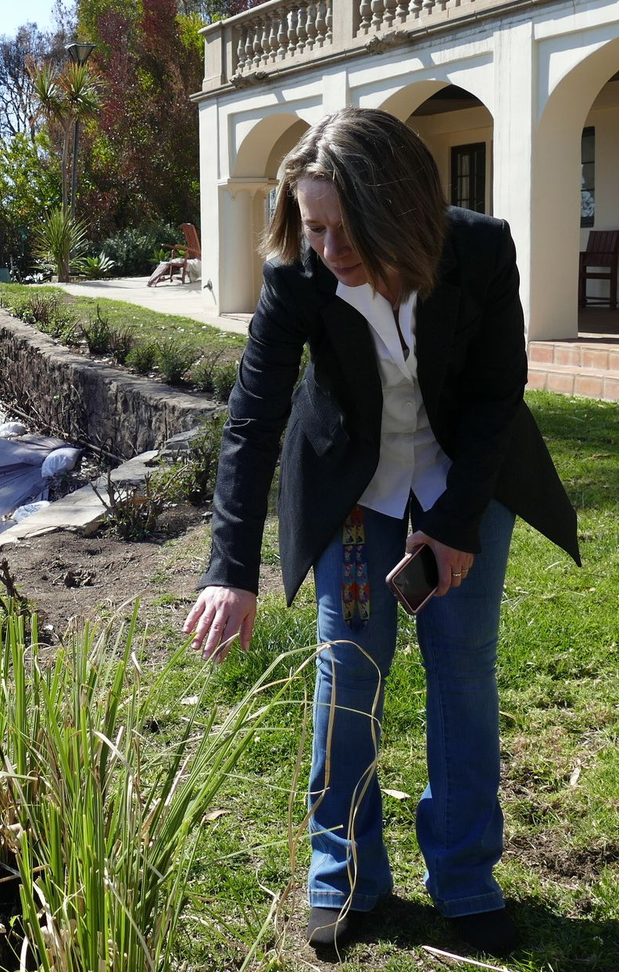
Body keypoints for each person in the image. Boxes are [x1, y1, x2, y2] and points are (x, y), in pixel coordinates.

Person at [183, 108, 579, 957]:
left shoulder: (478, 249)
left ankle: (467, 879)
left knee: (463, 670)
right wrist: (230, 568)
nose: (327, 247)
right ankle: (345, 876)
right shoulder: (301, 271)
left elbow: (495, 396)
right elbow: (255, 415)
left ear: (395, 204)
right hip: (355, 496)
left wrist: (453, 521)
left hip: (460, 477)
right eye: (313, 225)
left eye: (343, 225)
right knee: (347, 669)